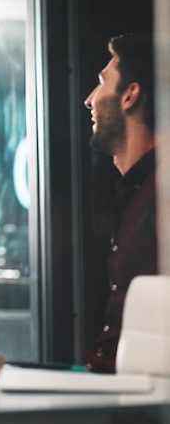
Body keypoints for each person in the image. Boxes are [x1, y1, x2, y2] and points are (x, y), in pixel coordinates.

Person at [82, 32, 156, 373]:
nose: (89, 99)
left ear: (130, 95)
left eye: (101, 83)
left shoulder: (162, 193)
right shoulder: (139, 191)